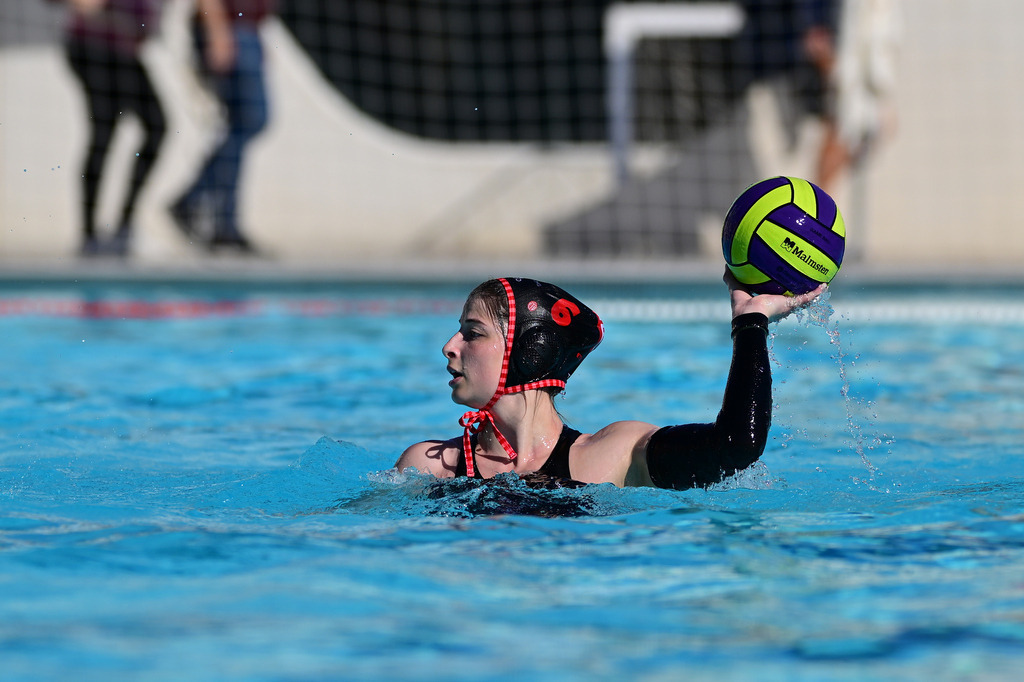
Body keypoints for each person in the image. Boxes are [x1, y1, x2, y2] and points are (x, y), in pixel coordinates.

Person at [395, 275, 824, 489]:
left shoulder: (612, 457)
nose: (449, 347)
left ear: (530, 352)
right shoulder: (430, 467)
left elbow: (736, 447)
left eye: (472, 333)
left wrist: (750, 323)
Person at [55, 0, 168, 257]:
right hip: (93, 46)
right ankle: (89, 235)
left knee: (157, 126)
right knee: (104, 133)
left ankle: (123, 226)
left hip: (126, 50)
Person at [170, 0, 276, 253]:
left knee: (242, 125)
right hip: (230, 29)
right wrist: (218, 31)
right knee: (250, 120)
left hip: (245, 30)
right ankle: (203, 208)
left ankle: (223, 223)